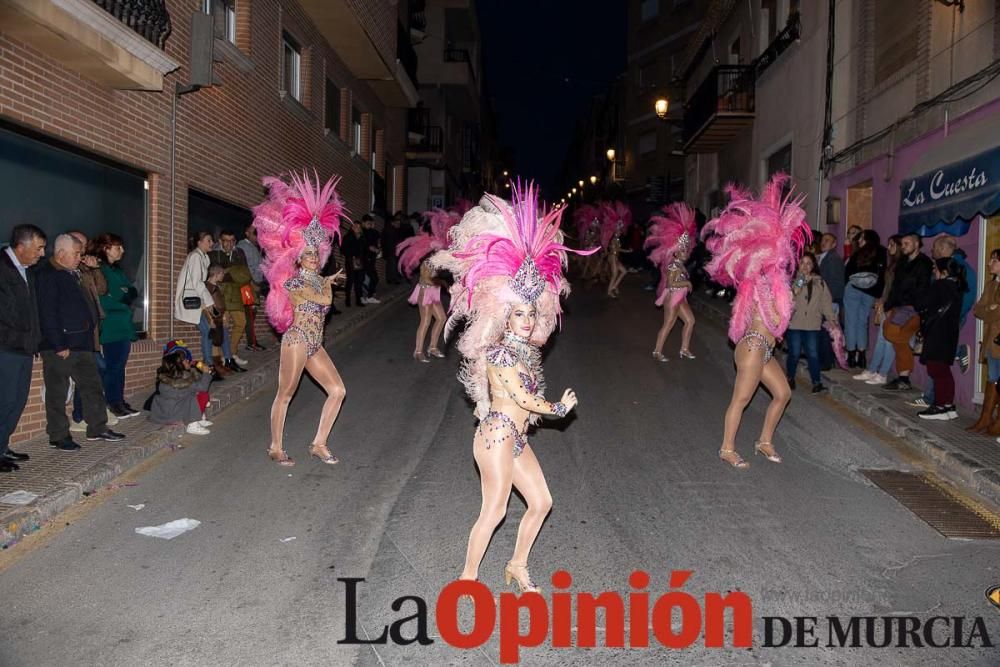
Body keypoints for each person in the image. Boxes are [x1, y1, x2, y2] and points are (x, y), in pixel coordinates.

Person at [431, 184, 590, 593]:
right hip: (496, 437)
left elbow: (525, 391)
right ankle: (468, 577)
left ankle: (517, 564)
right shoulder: (500, 354)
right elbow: (521, 398)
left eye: (530, 312)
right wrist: (556, 406)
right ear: (505, 314)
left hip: (514, 438)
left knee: (541, 502)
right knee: (494, 510)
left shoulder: (524, 350)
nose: (524, 319)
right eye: (517, 313)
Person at [701, 174, 811, 469]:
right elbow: (772, 315)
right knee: (741, 399)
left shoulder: (779, 283)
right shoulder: (760, 281)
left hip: (765, 350)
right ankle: (726, 448)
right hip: (753, 348)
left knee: (783, 393)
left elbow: (781, 316)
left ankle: (764, 441)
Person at [254, 172, 347, 466]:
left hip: (315, 344)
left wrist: (326, 281)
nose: (312, 259)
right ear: (297, 259)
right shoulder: (294, 283)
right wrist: (327, 285)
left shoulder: (318, 280)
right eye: (306, 256)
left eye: (315, 256)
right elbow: (323, 300)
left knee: (338, 390)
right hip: (296, 342)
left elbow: (323, 296)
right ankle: (275, 447)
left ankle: (319, 443)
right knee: (286, 393)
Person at [35, 234, 124, 448]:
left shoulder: (74, 272)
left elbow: (98, 291)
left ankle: (97, 428)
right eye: (76, 253)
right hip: (60, 345)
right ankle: (58, 435)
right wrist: (59, 344)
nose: (80, 257)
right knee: (57, 391)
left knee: (92, 386)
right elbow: (47, 312)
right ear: (61, 253)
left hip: (82, 342)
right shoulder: (48, 274)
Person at [0, 224, 46, 471]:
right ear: (21, 246)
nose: (42, 253)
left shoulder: (28, 270)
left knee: (16, 401)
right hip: (6, 348)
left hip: (24, 348)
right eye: (38, 248)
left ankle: (2, 446)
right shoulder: (2, 268)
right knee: (4, 401)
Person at [396, 209, 457, 362]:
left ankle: (433, 347)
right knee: (425, 321)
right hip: (425, 291)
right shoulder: (427, 262)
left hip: (434, 292)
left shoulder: (438, 261)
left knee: (442, 318)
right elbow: (426, 279)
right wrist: (443, 283)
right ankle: (417, 351)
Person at [913, 257, 966, 420]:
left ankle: (940, 407)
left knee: (936, 370)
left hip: (937, 332)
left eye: (935, 268)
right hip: (949, 333)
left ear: (943, 271)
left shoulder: (940, 286)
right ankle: (948, 405)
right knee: (944, 371)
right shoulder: (957, 287)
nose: (933, 271)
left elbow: (920, 303)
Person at [94, 233, 141, 418]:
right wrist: (123, 295)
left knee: (120, 366)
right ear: (106, 248)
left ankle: (118, 399)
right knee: (113, 366)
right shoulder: (101, 270)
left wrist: (124, 294)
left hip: (123, 324)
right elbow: (111, 296)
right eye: (117, 247)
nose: (122, 250)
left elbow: (131, 291)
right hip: (111, 326)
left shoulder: (117, 270)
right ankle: (112, 402)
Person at [646, 202, 697, 362]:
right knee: (668, 324)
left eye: (686, 249)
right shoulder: (673, 265)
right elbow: (670, 284)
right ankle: (657, 351)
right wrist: (686, 284)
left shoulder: (680, 264)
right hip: (672, 296)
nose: (686, 252)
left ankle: (684, 349)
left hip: (681, 298)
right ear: (676, 251)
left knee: (690, 321)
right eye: (683, 250)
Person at [882, 234, 933, 390]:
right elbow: (895, 286)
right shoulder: (902, 262)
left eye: (906, 243)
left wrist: (915, 306)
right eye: (902, 243)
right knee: (898, 340)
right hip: (898, 306)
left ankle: (904, 377)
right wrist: (889, 304)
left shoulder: (924, 263)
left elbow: (922, 288)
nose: (903, 246)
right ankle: (904, 377)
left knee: (892, 334)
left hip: (912, 308)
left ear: (917, 244)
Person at [786, 253, 839, 392]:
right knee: (794, 354)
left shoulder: (820, 281)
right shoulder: (793, 279)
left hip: (812, 324)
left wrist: (831, 319)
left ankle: (817, 383)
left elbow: (825, 302)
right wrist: (801, 279)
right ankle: (790, 378)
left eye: (808, 263)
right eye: (802, 263)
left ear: (813, 265)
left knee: (813, 354)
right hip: (795, 324)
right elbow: (793, 293)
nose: (805, 266)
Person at [856, 235, 903, 385]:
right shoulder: (893, 264)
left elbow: (895, 289)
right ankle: (872, 370)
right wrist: (881, 300)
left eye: (892, 245)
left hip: (894, 307)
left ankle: (882, 373)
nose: (889, 248)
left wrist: (887, 303)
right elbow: (887, 287)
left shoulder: (900, 265)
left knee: (888, 341)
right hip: (887, 304)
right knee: (881, 339)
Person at [175, 231, 223, 377]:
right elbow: (197, 283)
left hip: (198, 300)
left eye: (211, 241)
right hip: (193, 300)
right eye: (208, 240)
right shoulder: (195, 257)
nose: (211, 243)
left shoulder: (204, 258)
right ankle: (208, 367)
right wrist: (209, 302)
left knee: (208, 331)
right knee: (207, 331)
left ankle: (208, 366)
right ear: (199, 242)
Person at [149, 340, 214, 435]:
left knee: (195, 393)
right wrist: (206, 373)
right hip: (174, 414)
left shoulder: (166, 375)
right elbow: (203, 387)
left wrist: (194, 370)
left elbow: (196, 384)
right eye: (185, 360)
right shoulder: (184, 377)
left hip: (164, 412)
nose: (188, 361)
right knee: (195, 395)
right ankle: (192, 425)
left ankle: (198, 418)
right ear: (180, 364)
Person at [208, 231, 252, 367]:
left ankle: (232, 353)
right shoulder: (213, 254)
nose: (229, 243)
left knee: (241, 322)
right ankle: (219, 358)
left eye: (232, 240)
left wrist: (228, 271)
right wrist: (233, 272)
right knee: (222, 326)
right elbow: (214, 274)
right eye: (226, 240)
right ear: (220, 241)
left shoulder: (240, 253)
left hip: (236, 295)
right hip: (220, 295)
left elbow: (245, 274)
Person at [843, 229, 885, 369]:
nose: (859, 240)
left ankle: (851, 355)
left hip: (854, 288)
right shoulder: (882, 252)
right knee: (862, 322)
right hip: (870, 291)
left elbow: (848, 271)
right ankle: (862, 356)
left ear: (866, 239)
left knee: (850, 322)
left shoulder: (858, 253)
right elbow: (883, 274)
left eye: (861, 238)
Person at [970, 248, 1000, 434]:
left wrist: (991, 310)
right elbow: (978, 310)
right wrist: (991, 308)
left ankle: (997, 422)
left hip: (998, 340)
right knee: (992, 379)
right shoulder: (991, 285)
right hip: (991, 340)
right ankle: (985, 417)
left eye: (994, 260)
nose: (990, 263)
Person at [205, 264, 242, 375]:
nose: (223, 275)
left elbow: (220, 303)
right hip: (214, 318)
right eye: (222, 273)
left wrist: (224, 315)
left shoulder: (215, 286)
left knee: (225, 337)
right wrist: (214, 318)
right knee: (217, 341)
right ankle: (219, 364)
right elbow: (209, 305)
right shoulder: (208, 287)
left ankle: (229, 360)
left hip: (219, 317)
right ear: (216, 274)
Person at [236, 223, 268, 351]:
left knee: (251, 314)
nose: (256, 235)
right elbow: (244, 267)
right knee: (249, 313)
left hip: (256, 284)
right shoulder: (242, 246)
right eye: (253, 232)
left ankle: (252, 342)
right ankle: (251, 343)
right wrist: (252, 283)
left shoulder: (253, 247)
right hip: (248, 286)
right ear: (246, 233)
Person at [600, 201, 630, 298]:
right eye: (618, 229)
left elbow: (617, 249)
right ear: (615, 230)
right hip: (613, 257)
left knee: (624, 271)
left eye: (621, 229)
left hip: (615, 257)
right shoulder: (614, 239)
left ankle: (614, 287)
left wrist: (626, 251)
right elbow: (616, 250)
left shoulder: (616, 238)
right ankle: (610, 291)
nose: (620, 231)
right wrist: (627, 251)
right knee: (614, 274)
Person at [340, 220, 366, 308]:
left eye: (359, 227)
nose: (357, 228)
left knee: (359, 282)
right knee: (350, 280)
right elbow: (343, 250)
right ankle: (347, 299)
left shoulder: (362, 237)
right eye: (355, 226)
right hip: (350, 262)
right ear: (352, 228)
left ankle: (358, 300)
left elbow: (364, 250)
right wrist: (352, 255)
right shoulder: (348, 237)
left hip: (360, 262)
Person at [361, 214, 381, 304]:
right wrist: (374, 249)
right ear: (363, 223)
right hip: (365, 258)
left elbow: (377, 236)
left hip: (371, 258)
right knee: (373, 278)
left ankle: (367, 296)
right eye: (368, 223)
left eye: (371, 223)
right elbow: (367, 246)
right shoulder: (362, 232)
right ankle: (367, 296)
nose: (370, 225)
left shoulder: (372, 232)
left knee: (372, 278)